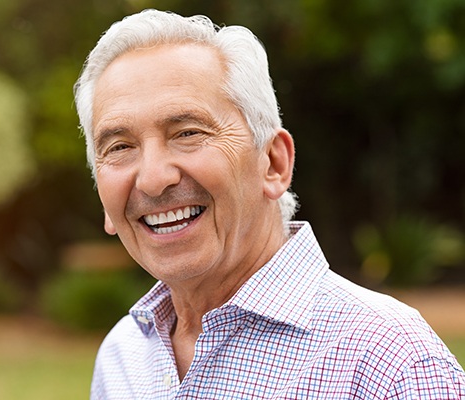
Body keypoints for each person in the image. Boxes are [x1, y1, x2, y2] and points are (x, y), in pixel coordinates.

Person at [74, 9, 465, 399]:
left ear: (274, 163)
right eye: (120, 147)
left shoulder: (392, 364)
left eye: (188, 132)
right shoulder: (123, 354)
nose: (154, 179)